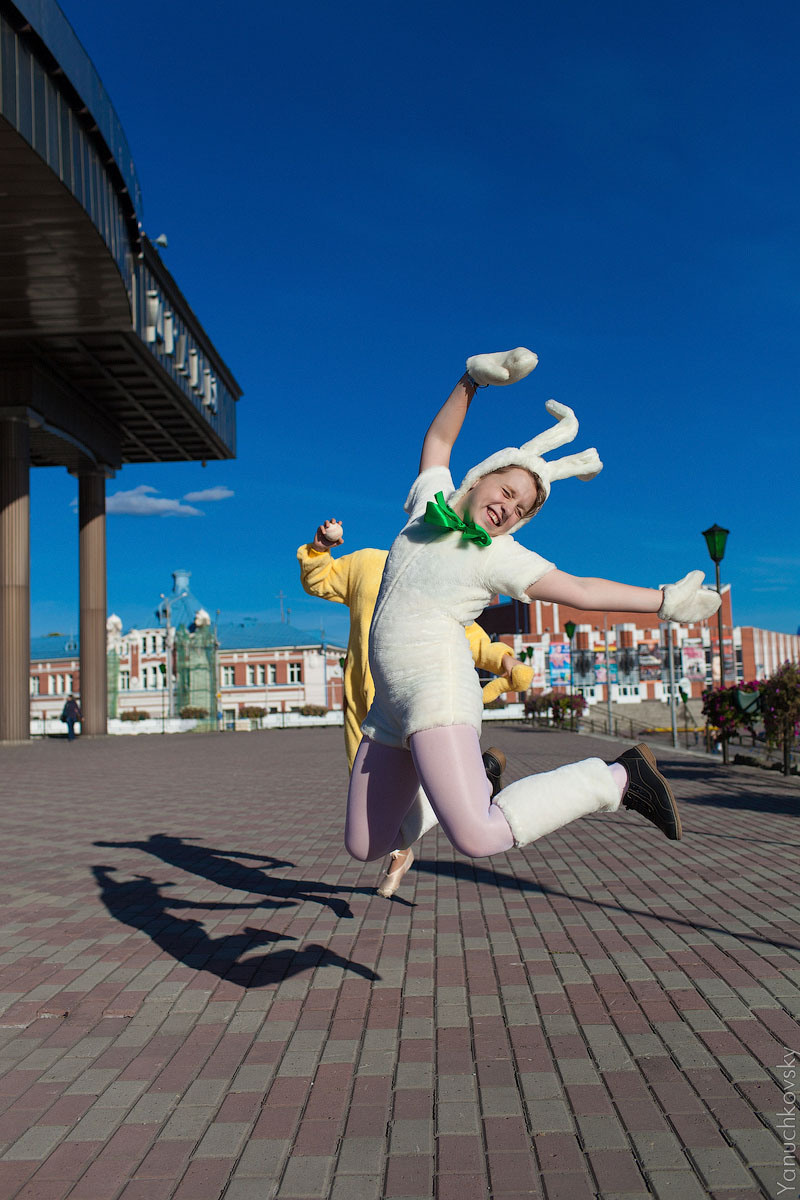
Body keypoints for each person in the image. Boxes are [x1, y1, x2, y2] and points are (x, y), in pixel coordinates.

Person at [345, 347, 721, 866]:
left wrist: (663, 601)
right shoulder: (427, 506)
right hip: (388, 703)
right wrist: (470, 381)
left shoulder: (498, 554)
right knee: (365, 844)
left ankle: (618, 778)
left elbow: (582, 592)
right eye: (507, 490)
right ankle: (465, 783)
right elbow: (438, 441)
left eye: (521, 509)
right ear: (481, 478)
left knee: (478, 836)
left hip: (437, 694)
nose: (508, 508)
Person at [298, 529, 532, 895]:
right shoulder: (367, 564)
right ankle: (415, 836)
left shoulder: (441, 576)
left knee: (427, 790)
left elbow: (467, 633)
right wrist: (320, 547)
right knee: (371, 809)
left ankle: (472, 786)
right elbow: (320, 579)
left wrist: (503, 659)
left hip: (420, 698)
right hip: (368, 709)